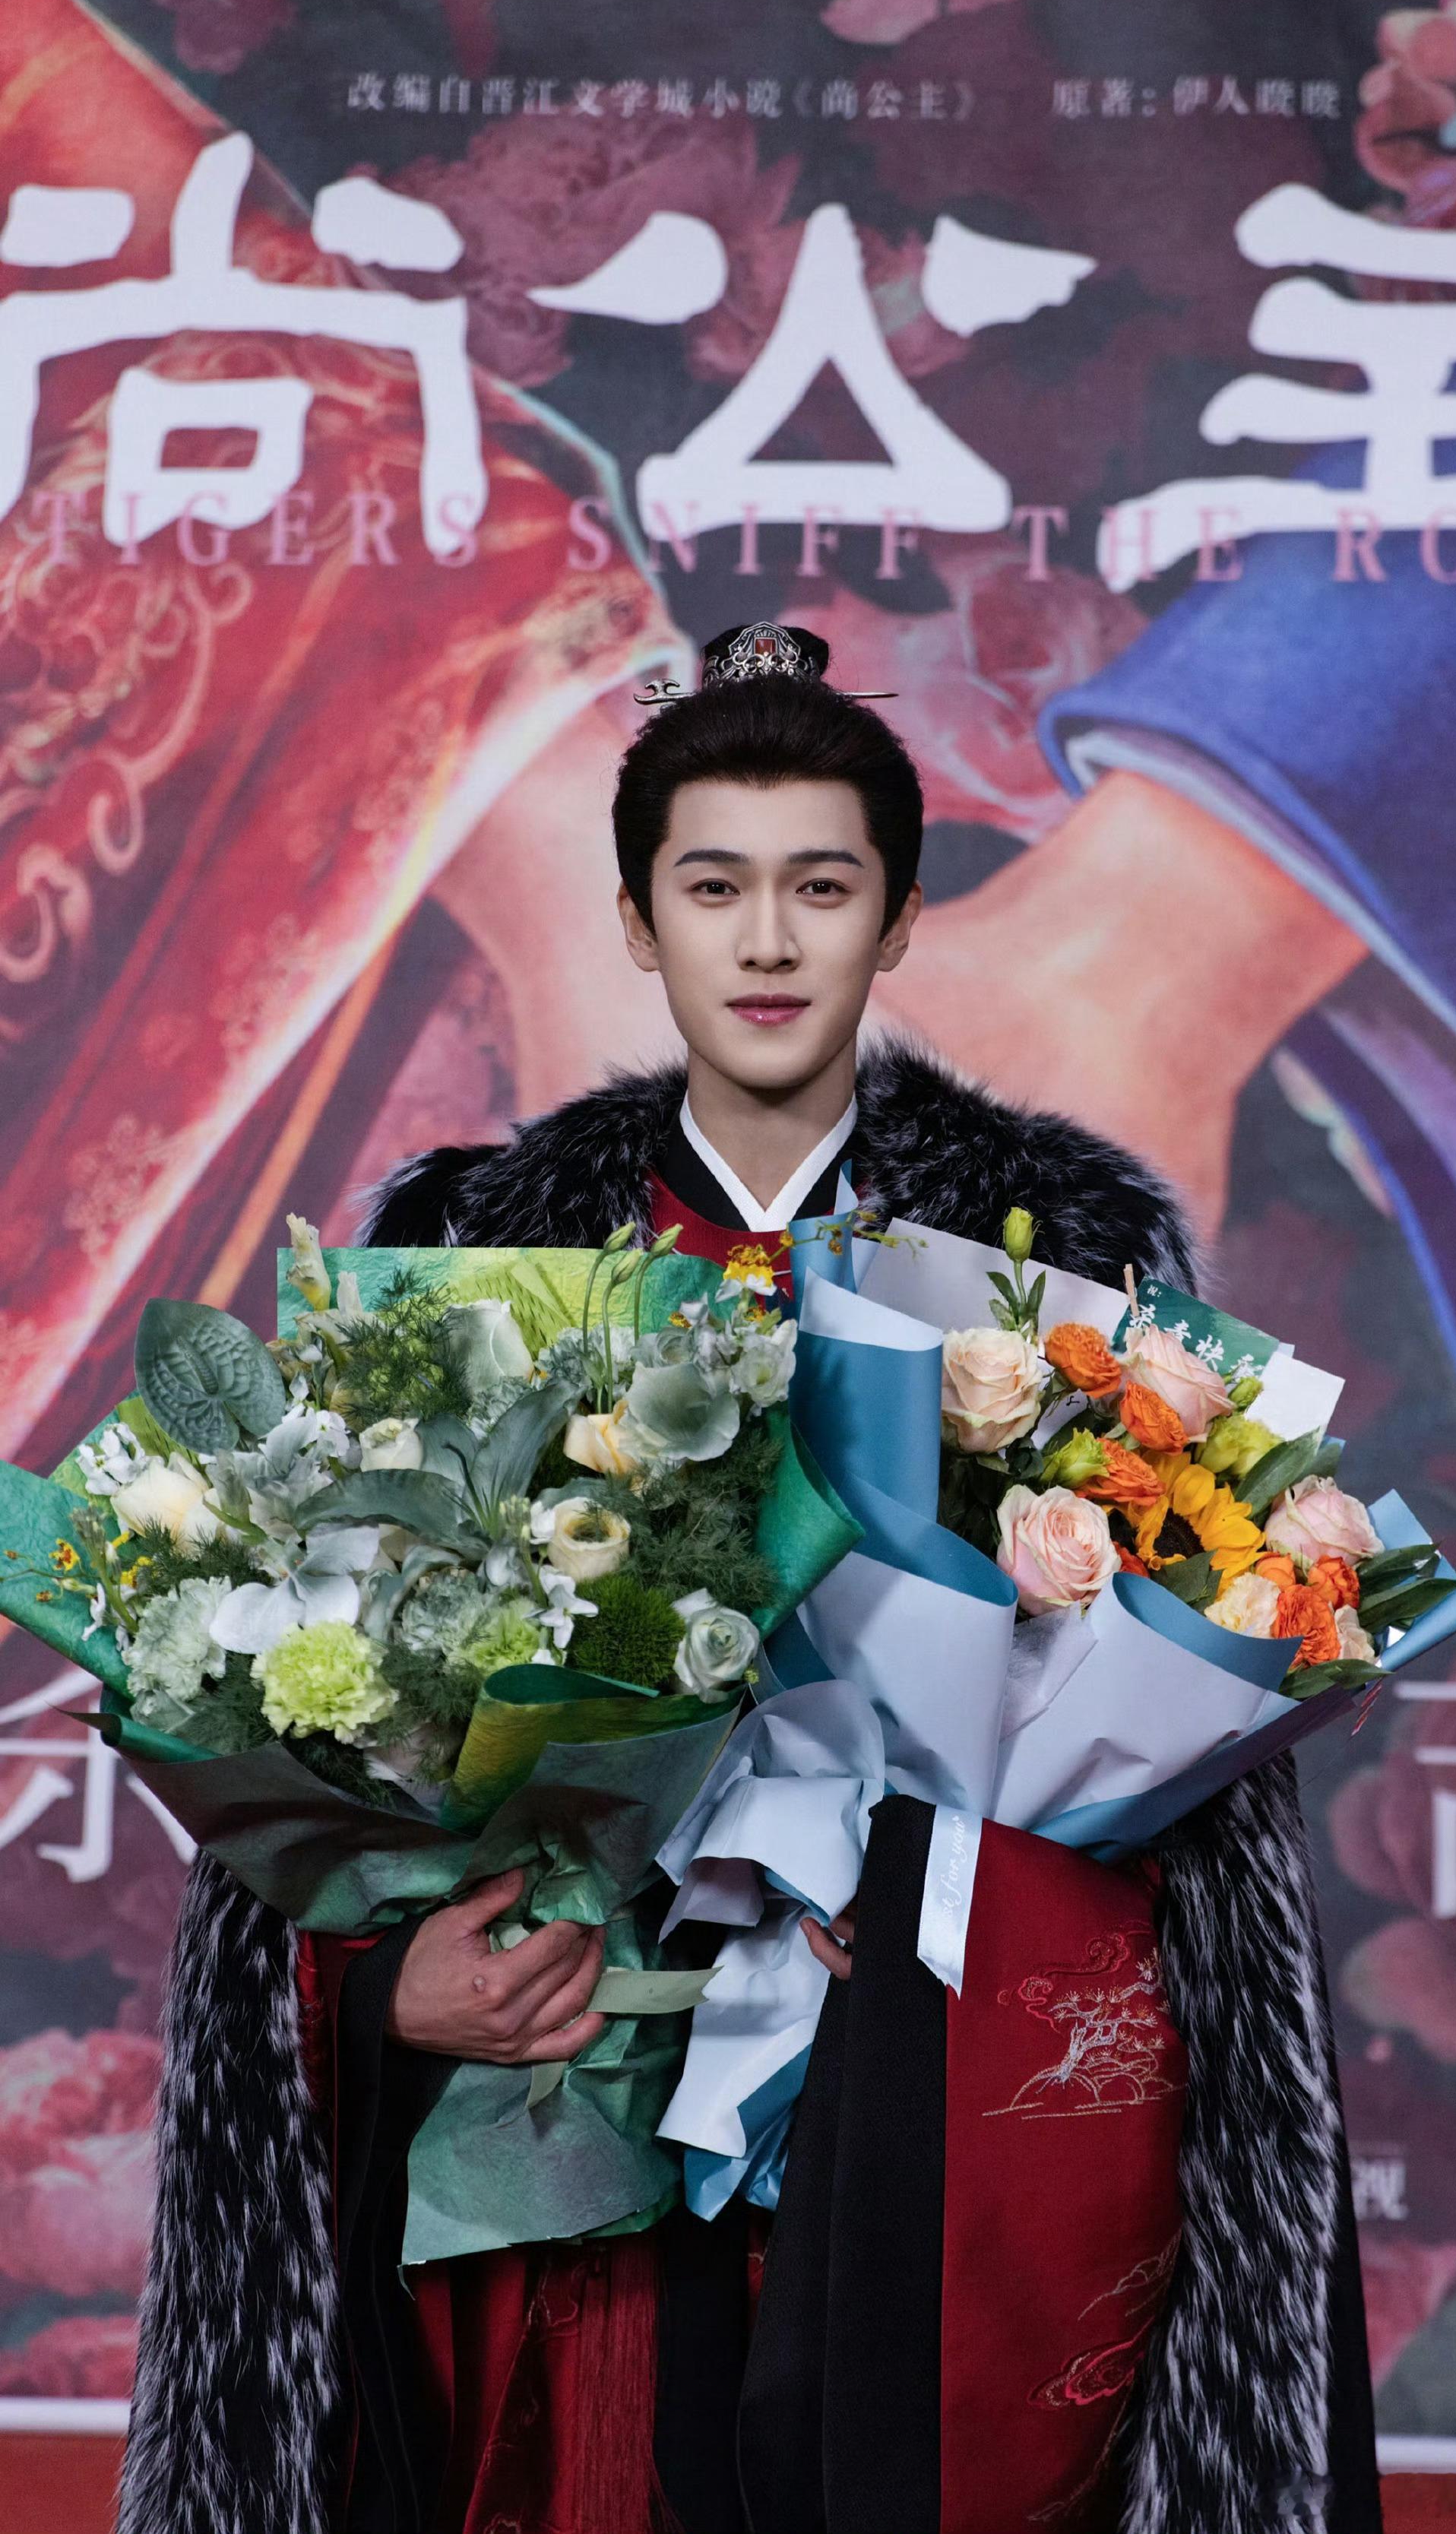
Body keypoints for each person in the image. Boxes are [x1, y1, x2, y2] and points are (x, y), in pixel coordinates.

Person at [120, 622, 1380, 2534]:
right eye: (713, 887)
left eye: (823, 886)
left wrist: (934, 1895)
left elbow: (1185, 1827)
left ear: (900, 918)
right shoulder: (460, 1250)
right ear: (637, 920)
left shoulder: (1064, 1262)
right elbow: (316, 1775)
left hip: (914, 2116)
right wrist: (381, 1994)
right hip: (567, 2118)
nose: (768, 941)